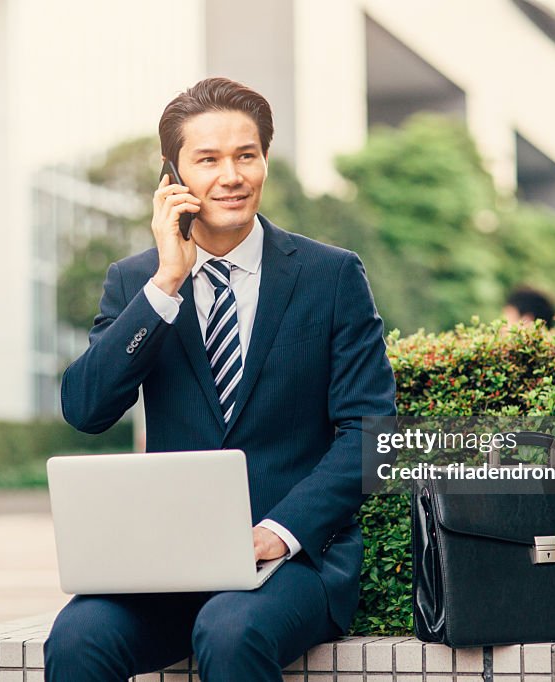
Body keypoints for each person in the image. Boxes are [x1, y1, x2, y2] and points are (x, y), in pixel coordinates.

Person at [43, 77, 397, 682]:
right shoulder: (136, 283)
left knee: (229, 629)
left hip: (292, 564)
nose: (231, 175)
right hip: (168, 563)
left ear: (265, 159)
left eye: (246, 155)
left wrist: (280, 533)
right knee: (76, 639)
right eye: (207, 159)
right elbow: (86, 408)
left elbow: (369, 430)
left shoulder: (331, 275)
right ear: (172, 176)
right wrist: (165, 287)